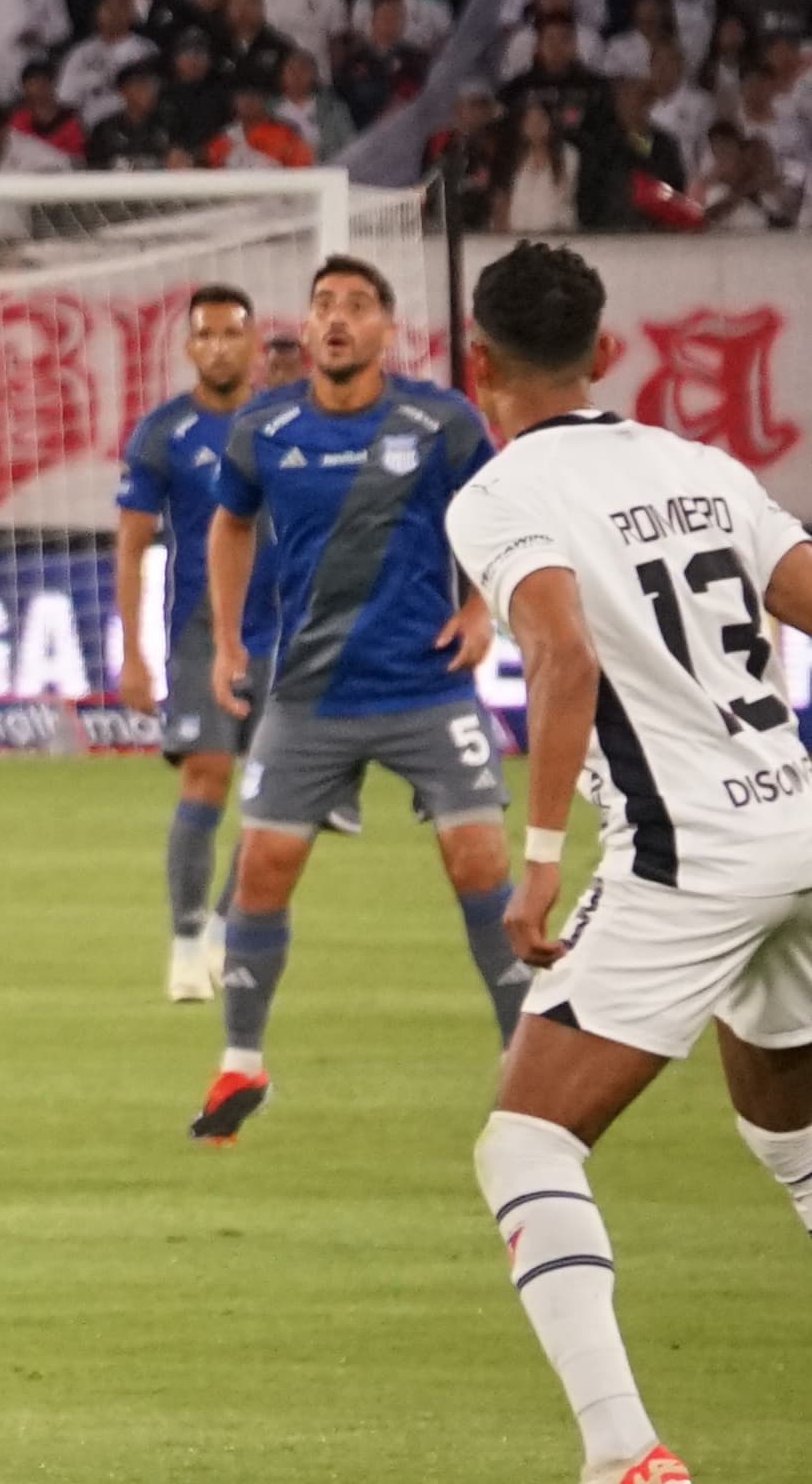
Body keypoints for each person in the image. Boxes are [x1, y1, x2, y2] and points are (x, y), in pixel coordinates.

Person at [443, 242, 812, 1484]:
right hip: (797, 820)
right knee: (797, 1140)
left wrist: (541, 854)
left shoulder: (499, 494)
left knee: (526, 1144)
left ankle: (622, 1455)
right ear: (606, 350)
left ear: (477, 364)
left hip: (688, 853)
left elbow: (561, 654)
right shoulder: (702, 465)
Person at [190, 254, 514, 1142]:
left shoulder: (440, 422)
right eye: (324, 304)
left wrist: (481, 609)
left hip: (426, 686)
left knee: (480, 862)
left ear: (386, 328)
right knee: (261, 869)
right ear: (307, 325)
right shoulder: (264, 427)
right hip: (308, 695)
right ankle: (240, 1066)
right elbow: (230, 524)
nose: (337, 318)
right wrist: (228, 641)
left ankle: (522, 1054)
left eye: (358, 305)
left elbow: (500, 513)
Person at [114, 285, 257, 1004]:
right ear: (188, 346)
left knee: (281, 797)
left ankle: (226, 929)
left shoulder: (286, 423)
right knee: (206, 772)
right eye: (207, 334)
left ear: (253, 342)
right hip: (202, 626)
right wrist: (133, 652)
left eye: (232, 333)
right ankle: (185, 942)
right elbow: (131, 545)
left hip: (289, 628)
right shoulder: (164, 432)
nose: (219, 346)